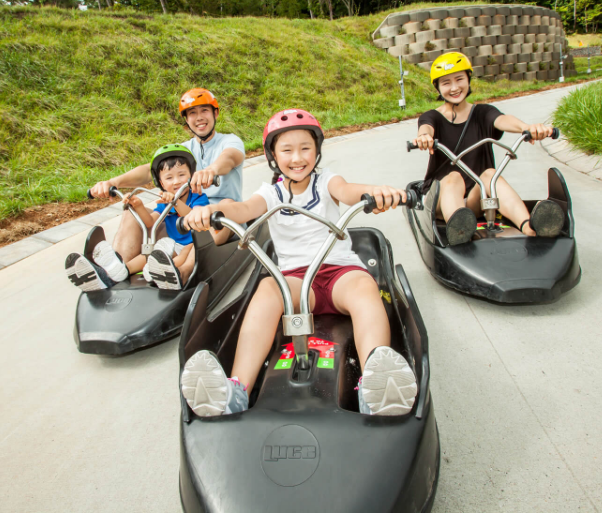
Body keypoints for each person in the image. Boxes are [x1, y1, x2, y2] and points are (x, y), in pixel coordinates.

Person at [178, 109, 419, 417]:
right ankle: (235, 390)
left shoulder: (327, 180)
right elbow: (244, 209)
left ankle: (376, 385)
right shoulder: (271, 192)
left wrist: (375, 192)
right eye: (287, 150)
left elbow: (348, 192)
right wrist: (213, 211)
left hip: (339, 273)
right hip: (294, 281)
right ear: (273, 156)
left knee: (364, 287)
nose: (297, 158)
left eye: (305, 148)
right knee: (267, 289)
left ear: (317, 150)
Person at [411, 53, 565, 245]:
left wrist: (527, 128)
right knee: (453, 177)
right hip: (442, 200)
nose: (454, 87)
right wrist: (424, 137)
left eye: (459, 79)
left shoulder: (483, 113)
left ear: (468, 79)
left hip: (476, 201)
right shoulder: (431, 116)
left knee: (490, 174)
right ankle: (460, 232)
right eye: (446, 83)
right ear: (438, 87)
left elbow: (503, 120)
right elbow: (426, 128)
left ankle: (530, 227)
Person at [87, 88, 245, 274]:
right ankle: (116, 271)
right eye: (192, 113)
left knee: (225, 205)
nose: (199, 117)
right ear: (186, 120)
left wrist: (211, 170)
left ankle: (183, 271)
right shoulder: (182, 151)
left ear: (215, 113)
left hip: (217, 223)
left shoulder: (230, 141)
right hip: (182, 220)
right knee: (131, 213)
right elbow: (148, 170)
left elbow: (229, 158)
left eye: (204, 111)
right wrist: (113, 182)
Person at [65, 145, 227, 291]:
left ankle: (168, 272)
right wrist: (139, 206)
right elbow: (151, 222)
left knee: (185, 252)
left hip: (191, 243)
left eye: (182, 175)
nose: (176, 181)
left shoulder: (198, 197)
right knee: (149, 253)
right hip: (170, 244)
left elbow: (194, 218)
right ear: (161, 183)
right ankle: (117, 270)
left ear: (191, 176)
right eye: (169, 178)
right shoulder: (165, 201)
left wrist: (175, 202)